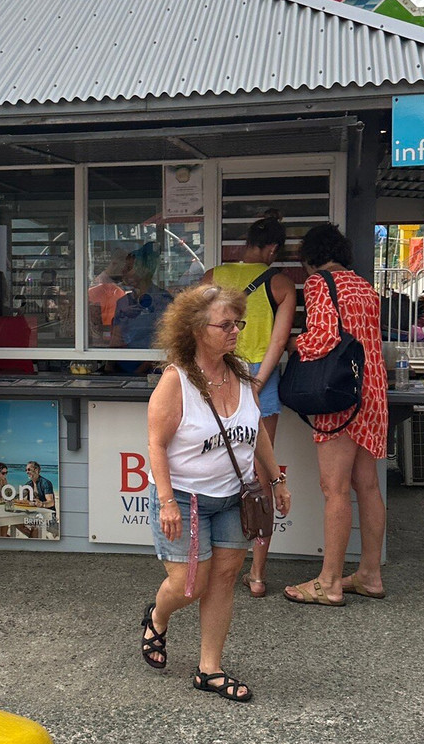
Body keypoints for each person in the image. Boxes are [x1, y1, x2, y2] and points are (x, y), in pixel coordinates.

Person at [141, 284, 291, 702]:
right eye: (225, 324)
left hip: (233, 497)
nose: (235, 331)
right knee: (190, 585)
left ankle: (209, 669)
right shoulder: (178, 380)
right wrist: (167, 500)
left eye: (238, 323)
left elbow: (255, 429)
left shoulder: (240, 372)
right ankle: (157, 617)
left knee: (224, 579)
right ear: (195, 329)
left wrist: (276, 478)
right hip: (186, 498)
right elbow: (155, 443)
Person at [283, 224, 388, 607]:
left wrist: (293, 342)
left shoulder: (318, 283)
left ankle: (329, 582)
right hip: (372, 392)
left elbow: (324, 337)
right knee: (369, 487)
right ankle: (370, 574)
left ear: (311, 256)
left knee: (335, 489)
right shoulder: (364, 285)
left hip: (340, 394)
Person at [203, 213, 296, 598]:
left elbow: (195, 327)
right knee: (260, 475)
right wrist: (257, 382)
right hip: (262, 374)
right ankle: (257, 574)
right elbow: (278, 341)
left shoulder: (211, 277)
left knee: (209, 462)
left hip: (215, 369)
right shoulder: (281, 283)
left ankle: (208, 566)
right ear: (272, 249)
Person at [111, 242, 173, 373]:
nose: (123, 272)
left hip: (151, 372)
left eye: (129, 268)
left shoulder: (162, 300)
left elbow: (164, 342)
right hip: (121, 369)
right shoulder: (123, 302)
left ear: (143, 269)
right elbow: (115, 340)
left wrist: (139, 372)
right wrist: (108, 369)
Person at [15, 460, 55, 538]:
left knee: (36, 524)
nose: (27, 472)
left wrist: (42, 504)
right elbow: (19, 497)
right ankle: (34, 538)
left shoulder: (45, 483)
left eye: (29, 469)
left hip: (48, 516)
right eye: (26, 470)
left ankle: (34, 541)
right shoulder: (28, 484)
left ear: (36, 470)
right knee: (15, 522)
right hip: (32, 514)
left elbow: (51, 502)